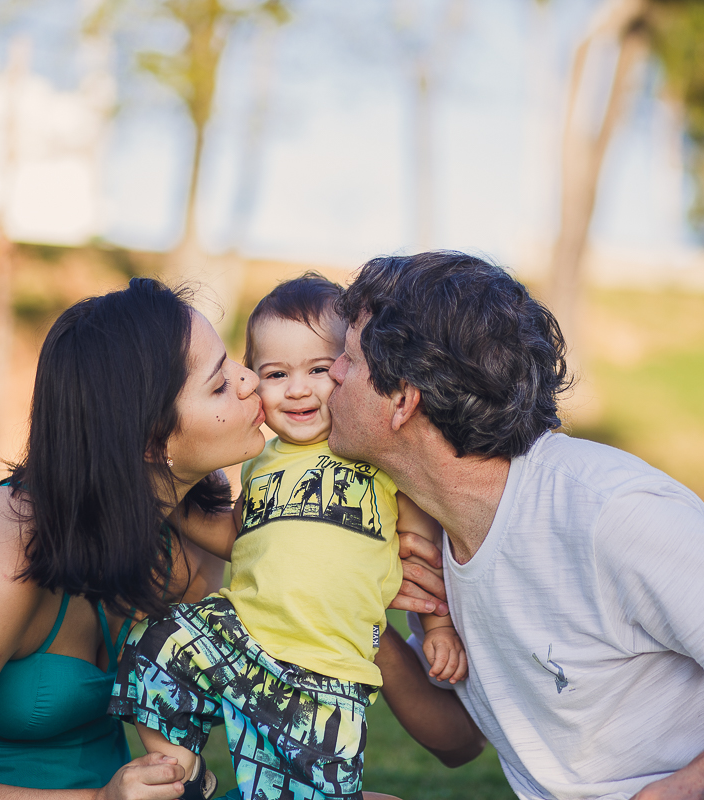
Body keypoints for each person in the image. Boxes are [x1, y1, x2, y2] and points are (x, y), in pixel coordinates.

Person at [326, 251, 704, 800]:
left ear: (402, 399)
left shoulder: (610, 511)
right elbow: (461, 741)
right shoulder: (424, 535)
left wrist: (686, 788)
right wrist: (362, 620)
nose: (332, 374)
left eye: (348, 358)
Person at [0, 278, 271, 800]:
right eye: (220, 384)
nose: (251, 379)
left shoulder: (198, 524)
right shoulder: (3, 552)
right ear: (150, 440)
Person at [112, 274, 466, 800]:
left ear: (348, 372)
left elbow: (422, 553)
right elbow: (240, 538)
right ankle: (179, 778)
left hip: (329, 670)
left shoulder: (376, 458)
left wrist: (437, 629)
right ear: (253, 381)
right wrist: (173, 506)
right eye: (276, 373)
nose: (297, 389)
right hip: (243, 634)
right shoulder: (259, 463)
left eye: (319, 370)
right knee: (161, 643)